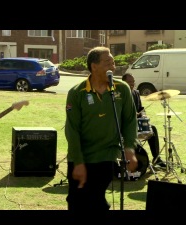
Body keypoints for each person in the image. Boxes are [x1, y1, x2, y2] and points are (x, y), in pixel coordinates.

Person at [64, 46, 139, 211]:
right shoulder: (77, 93)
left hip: (107, 155)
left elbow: (129, 121)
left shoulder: (122, 89)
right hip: (81, 156)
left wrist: (129, 149)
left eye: (113, 63)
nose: (112, 67)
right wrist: (78, 162)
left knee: (96, 198)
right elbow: (72, 130)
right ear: (94, 66)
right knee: (76, 201)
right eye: (107, 63)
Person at [122, 73, 166, 168]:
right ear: (123, 82)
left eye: (133, 82)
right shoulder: (119, 94)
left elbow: (141, 108)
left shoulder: (136, 93)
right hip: (124, 127)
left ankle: (156, 158)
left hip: (136, 124)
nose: (132, 84)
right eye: (129, 82)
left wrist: (142, 114)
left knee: (152, 129)